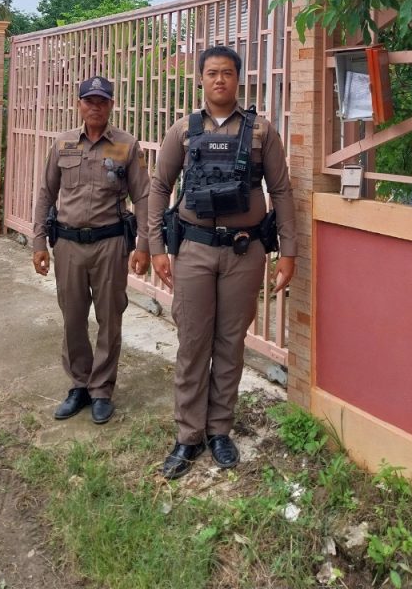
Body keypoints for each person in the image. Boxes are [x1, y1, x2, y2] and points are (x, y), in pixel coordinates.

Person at [148, 46, 296, 479]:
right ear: (200, 79)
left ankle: (219, 431)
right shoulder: (183, 130)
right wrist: (155, 246)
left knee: (230, 343)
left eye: (227, 73)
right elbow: (159, 186)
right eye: (212, 73)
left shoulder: (261, 132)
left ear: (238, 79)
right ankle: (188, 434)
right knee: (193, 342)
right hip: (193, 250)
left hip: (244, 252)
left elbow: (281, 191)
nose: (219, 80)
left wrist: (288, 251)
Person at [32, 75, 150, 425]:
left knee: (110, 318)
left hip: (110, 245)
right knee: (72, 317)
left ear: (111, 105)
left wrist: (144, 245)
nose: (95, 107)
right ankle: (79, 385)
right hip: (68, 244)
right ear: (79, 104)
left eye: (102, 101)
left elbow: (143, 197)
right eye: (89, 101)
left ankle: (101, 390)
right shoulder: (63, 144)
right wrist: (39, 241)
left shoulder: (127, 146)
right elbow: (46, 193)